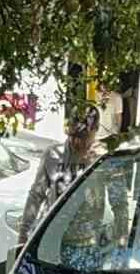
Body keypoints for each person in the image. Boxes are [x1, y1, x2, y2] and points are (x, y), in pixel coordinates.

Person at [17, 104, 104, 246]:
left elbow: (118, 201)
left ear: (96, 130)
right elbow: (36, 195)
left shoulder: (101, 159)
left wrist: (122, 234)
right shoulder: (53, 155)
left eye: (84, 136)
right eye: (74, 136)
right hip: (52, 238)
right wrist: (23, 235)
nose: (78, 142)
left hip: (87, 242)